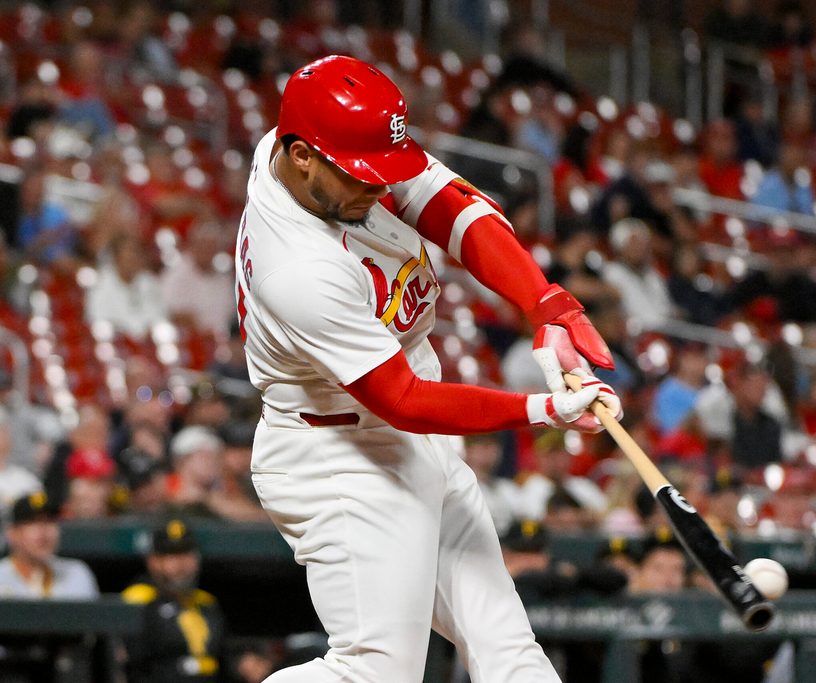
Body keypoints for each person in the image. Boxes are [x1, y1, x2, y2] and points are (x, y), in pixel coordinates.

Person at [235, 56, 622, 682]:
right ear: (301, 155)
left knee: (507, 647)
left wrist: (544, 302)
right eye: (362, 176)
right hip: (340, 454)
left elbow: (447, 204)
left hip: (406, 437)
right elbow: (404, 400)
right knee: (377, 673)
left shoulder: (306, 152)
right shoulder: (297, 268)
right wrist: (542, 409)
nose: (380, 190)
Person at [122, 519, 226, 682]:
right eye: (172, 555)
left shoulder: (207, 602)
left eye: (186, 553)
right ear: (153, 561)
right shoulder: (139, 600)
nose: (181, 564)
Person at [0, 492, 98, 599]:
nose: (43, 530)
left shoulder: (77, 573)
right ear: (13, 533)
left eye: (50, 521)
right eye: (33, 522)